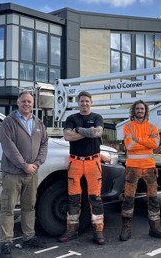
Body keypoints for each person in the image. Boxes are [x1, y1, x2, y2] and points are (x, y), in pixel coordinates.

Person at [0, 91, 49, 258]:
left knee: (29, 207)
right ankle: (6, 242)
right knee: (8, 208)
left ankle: (29, 237)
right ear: (17, 103)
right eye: (23, 101)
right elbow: (8, 147)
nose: (27, 104)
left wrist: (36, 164)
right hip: (12, 173)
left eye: (29, 101)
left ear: (32, 104)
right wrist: (24, 165)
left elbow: (44, 144)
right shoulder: (8, 122)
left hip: (32, 173)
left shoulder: (38, 123)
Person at [59, 91, 105, 245]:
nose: (84, 104)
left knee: (95, 198)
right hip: (75, 162)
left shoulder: (97, 117)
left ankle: (98, 231)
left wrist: (78, 130)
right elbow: (67, 136)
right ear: (78, 103)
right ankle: (72, 229)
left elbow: (97, 133)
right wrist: (87, 132)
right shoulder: (71, 118)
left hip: (93, 162)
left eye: (87, 101)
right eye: (82, 101)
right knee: (73, 198)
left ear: (91, 102)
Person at [119, 100, 161, 241]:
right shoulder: (128, 127)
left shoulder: (152, 127)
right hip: (133, 167)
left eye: (142, 109)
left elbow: (156, 144)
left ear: (146, 111)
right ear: (134, 111)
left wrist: (138, 139)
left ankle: (155, 228)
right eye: (137, 109)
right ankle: (126, 229)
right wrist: (146, 141)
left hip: (149, 167)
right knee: (128, 199)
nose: (140, 111)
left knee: (153, 199)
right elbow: (129, 145)